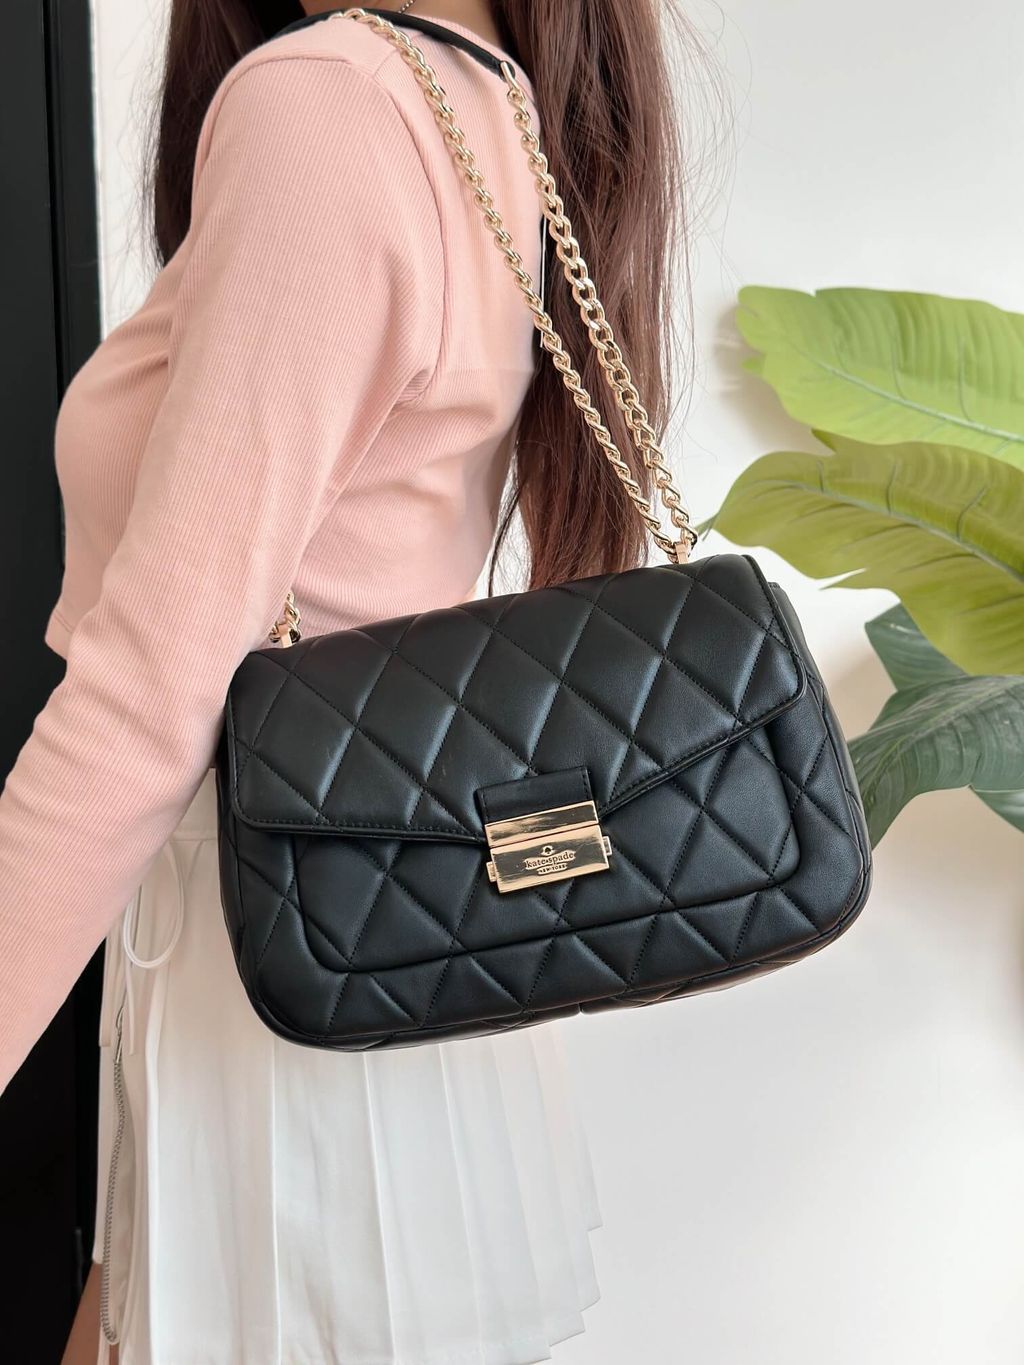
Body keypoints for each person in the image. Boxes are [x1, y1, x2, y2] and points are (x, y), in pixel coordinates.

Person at [0, 2, 695, 1361]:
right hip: (389, 953)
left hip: (288, 967)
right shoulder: (486, 100)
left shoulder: (328, 104)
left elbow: (150, 691)